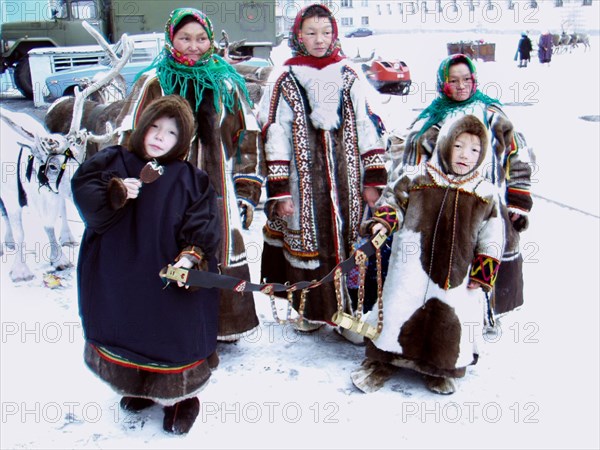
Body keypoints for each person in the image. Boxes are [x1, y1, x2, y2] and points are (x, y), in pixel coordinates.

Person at [72, 95, 221, 434]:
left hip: (168, 275)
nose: (158, 136)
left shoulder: (190, 178)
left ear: (180, 141)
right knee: (127, 328)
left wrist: (189, 257)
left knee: (172, 332)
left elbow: (203, 224)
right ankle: (141, 387)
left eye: (170, 133)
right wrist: (115, 191)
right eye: (154, 126)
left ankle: (181, 398)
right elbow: (84, 192)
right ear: (141, 125)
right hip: (118, 273)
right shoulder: (113, 160)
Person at [117, 8, 265, 342]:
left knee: (220, 246)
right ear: (172, 39)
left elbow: (246, 136)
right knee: (169, 250)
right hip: (163, 189)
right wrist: (130, 184)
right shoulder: (153, 83)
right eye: (185, 38)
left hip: (219, 191)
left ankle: (225, 323)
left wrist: (245, 191)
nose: (193, 46)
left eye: (201, 38)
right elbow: (128, 136)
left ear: (211, 40)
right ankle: (173, 326)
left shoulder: (226, 82)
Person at [257, 4, 388, 337]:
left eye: (326, 32)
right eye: (311, 32)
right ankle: (311, 310)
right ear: (298, 35)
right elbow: (275, 134)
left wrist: (373, 179)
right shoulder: (284, 78)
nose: (319, 39)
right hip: (303, 187)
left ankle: (351, 310)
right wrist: (281, 190)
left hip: (349, 181)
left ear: (335, 35)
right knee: (306, 245)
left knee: (351, 243)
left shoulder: (347, 75)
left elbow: (367, 125)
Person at [351, 114, 504, 394]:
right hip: (409, 269)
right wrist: (383, 222)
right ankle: (381, 362)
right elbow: (392, 202)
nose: (465, 155)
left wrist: (485, 270)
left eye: (474, 150)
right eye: (458, 146)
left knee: (449, 321)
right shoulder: (416, 177)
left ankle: (440, 368)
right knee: (397, 310)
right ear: (445, 143)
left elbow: (492, 235)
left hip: (455, 277)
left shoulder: (485, 193)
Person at [397, 53, 534, 323]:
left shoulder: (492, 115)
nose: (461, 86)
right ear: (442, 84)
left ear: (474, 80)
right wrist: (409, 204)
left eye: (466, 79)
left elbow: (517, 155)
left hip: (487, 205)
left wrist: (518, 200)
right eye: (453, 81)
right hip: (442, 208)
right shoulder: (432, 120)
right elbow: (412, 163)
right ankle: (445, 318)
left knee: (487, 254)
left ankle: (486, 313)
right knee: (449, 263)